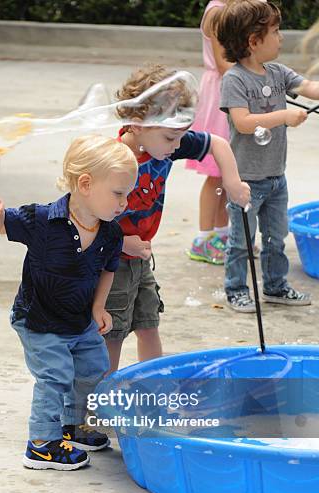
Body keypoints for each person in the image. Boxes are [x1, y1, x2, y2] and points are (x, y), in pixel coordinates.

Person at [0, 135, 138, 470]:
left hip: (79, 318)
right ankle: (41, 442)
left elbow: (109, 269)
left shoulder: (111, 232)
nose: (125, 202)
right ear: (85, 184)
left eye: (127, 193)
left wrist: (98, 308)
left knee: (93, 369)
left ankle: (71, 424)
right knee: (55, 375)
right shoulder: (41, 220)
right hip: (38, 318)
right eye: (118, 192)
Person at [104, 63, 251, 372]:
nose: (176, 147)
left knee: (148, 322)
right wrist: (120, 240)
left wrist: (233, 181)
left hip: (140, 256)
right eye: (171, 138)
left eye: (179, 138)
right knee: (112, 333)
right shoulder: (115, 162)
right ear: (138, 125)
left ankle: (154, 385)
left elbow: (217, 143)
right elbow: (87, 219)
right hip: (111, 264)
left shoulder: (164, 142)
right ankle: (104, 397)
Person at [217, 0, 319, 313]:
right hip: (246, 181)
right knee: (242, 242)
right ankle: (236, 289)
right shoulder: (234, 79)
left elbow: (311, 88)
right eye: (276, 32)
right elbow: (243, 122)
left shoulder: (278, 73)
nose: (282, 38)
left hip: (276, 176)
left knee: (276, 237)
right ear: (254, 41)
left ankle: (275, 286)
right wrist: (283, 116)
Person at [185, 0, 233, 265]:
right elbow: (223, 62)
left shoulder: (237, 9)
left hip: (232, 88)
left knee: (228, 173)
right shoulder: (216, 12)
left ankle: (223, 235)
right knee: (216, 172)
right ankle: (203, 239)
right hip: (220, 93)